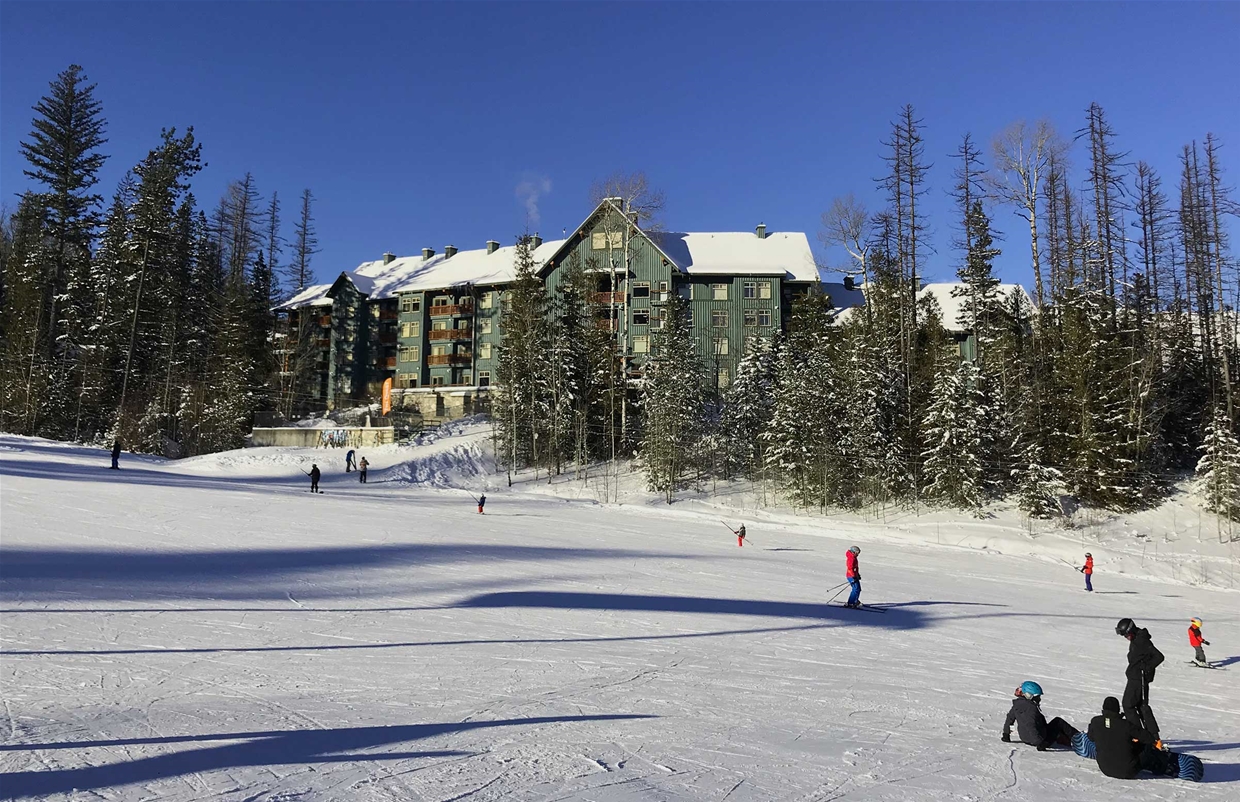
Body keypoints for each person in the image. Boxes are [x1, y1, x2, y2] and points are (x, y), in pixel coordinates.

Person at [1086, 696, 1171, 779]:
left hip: (1105, 768)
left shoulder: (1095, 722)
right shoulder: (1125, 725)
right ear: (1117, 709)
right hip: (1128, 771)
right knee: (1146, 746)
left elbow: (1091, 737)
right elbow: (1148, 738)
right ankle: (1161, 763)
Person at [1116, 618, 1163, 740]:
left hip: (1138, 679)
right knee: (1141, 706)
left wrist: (1146, 668)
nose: (1126, 637)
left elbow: (1159, 657)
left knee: (1128, 705)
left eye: (1126, 634)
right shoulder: (1138, 639)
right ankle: (1152, 736)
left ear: (1131, 630)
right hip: (1135, 677)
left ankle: (1139, 735)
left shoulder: (1142, 640)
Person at [1001, 681, 1079, 750]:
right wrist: (1042, 743)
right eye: (1037, 697)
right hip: (1038, 740)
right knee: (1058, 722)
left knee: (1055, 729)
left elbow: (1009, 719)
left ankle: (1066, 739)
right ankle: (1081, 739)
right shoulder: (1031, 708)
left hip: (1025, 738)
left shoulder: (1017, 705)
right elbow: (1030, 724)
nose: (1039, 699)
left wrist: (1006, 734)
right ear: (1029, 695)